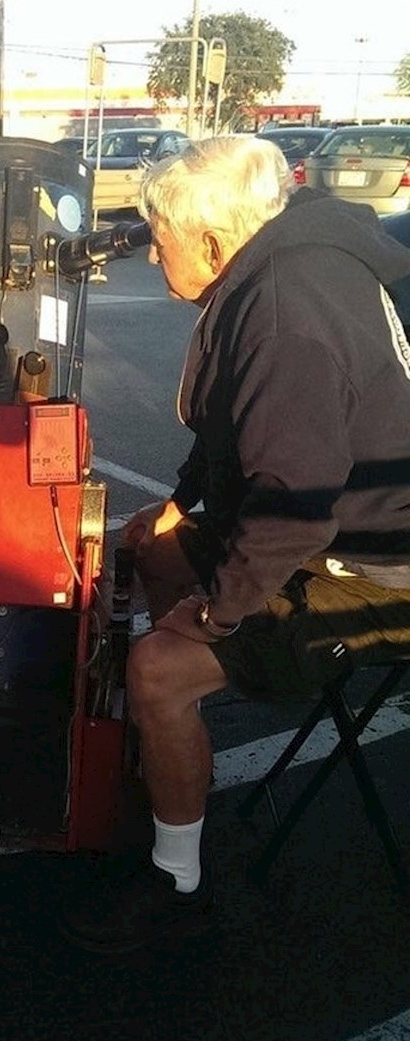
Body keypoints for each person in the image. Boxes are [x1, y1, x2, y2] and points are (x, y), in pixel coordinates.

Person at [61, 134, 410, 953]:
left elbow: (294, 510)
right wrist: (183, 506)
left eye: (161, 240)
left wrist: (213, 618)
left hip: (378, 566)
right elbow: (237, 431)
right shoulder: (269, 269)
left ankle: (176, 882)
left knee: (158, 666)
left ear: (214, 241)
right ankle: (169, 748)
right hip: (332, 525)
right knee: (152, 547)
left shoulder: (286, 314)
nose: (154, 257)